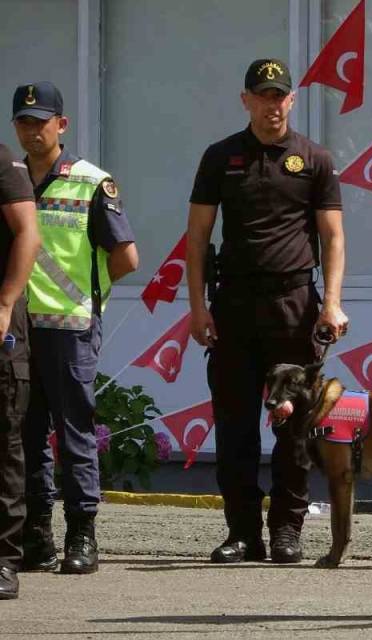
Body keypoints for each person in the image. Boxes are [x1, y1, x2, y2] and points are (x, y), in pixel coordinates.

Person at [186, 58, 348, 565]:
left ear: (291, 101)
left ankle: (286, 530)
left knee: (292, 427)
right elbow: (197, 239)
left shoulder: (314, 159)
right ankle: (242, 533)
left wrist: (332, 303)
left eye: (279, 96)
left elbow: (332, 237)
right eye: (262, 95)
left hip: (293, 305)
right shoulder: (220, 156)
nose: (271, 105)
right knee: (234, 425)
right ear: (246, 100)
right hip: (233, 304)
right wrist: (197, 308)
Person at [13, 82, 138, 576]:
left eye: (41, 122)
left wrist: (88, 296)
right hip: (18, 329)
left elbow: (126, 257)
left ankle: (81, 535)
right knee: (24, 434)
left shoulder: (90, 182)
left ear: (61, 125)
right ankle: (36, 535)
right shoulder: (10, 178)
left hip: (70, 328)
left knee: (74, 433)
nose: (32, 131)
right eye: (23, 122)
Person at [0, 142, 41, 598]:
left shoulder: (2, 162)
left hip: (2, 323)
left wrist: (5, 302)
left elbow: (29, 233)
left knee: (4, 442)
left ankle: (4, 559)